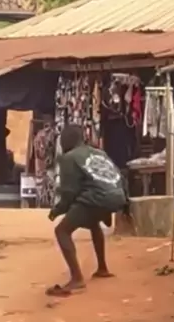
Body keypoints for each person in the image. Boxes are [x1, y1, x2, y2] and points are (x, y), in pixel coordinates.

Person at [47, 124, 126, 297]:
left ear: (66, 140)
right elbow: (118, 176)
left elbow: (69, 193)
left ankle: (77, 278)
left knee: (62, 231)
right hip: (117, 196)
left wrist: (57, 210)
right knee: (93, 222)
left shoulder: (68, 158)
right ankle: (102, 268)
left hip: (96, 197)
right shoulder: (100, 153)